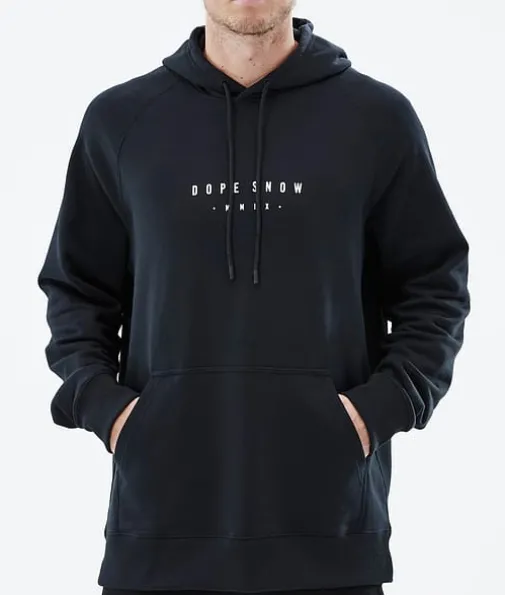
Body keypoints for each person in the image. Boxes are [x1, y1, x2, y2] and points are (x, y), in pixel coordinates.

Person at [36, 1, 471, 594]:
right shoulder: (121, 120)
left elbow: (434, 285)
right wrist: (110, 412)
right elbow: (77, 289)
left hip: (330, 537)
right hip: (158, 536)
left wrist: (377, 411)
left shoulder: (377, 119)